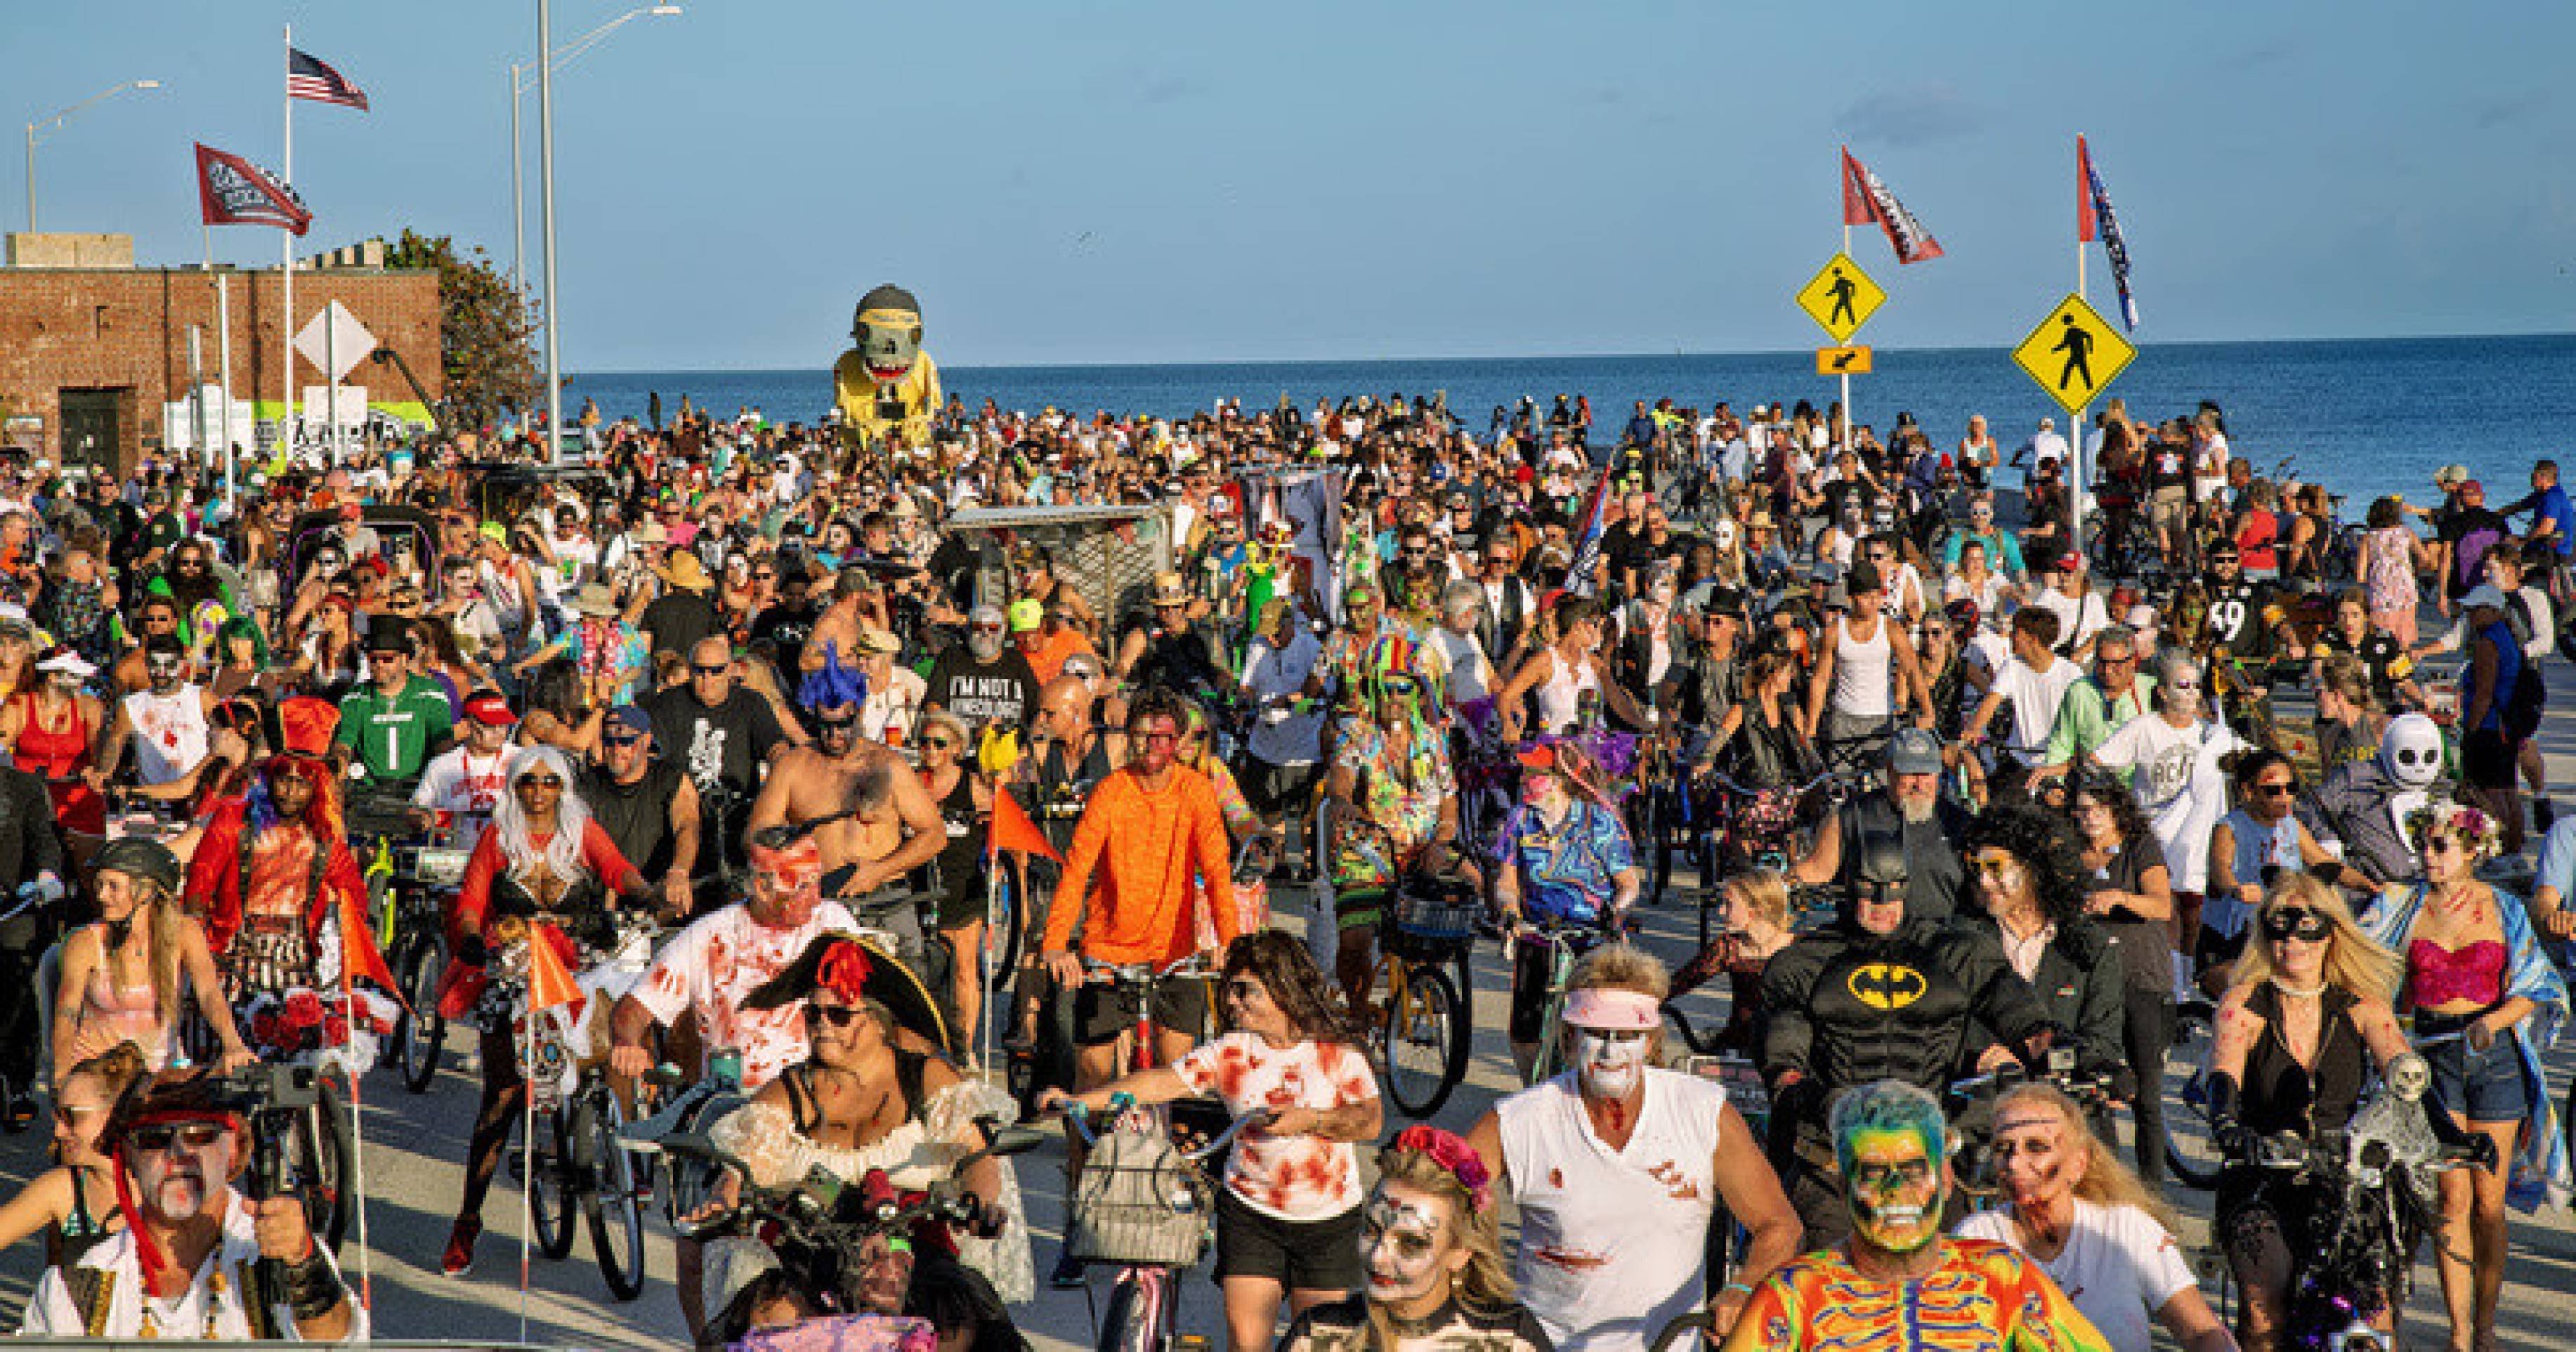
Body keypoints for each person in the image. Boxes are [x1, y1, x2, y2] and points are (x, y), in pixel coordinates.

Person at [1042, 932, 1380, 1350]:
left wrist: (1309, 1119)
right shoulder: (1231, 1052)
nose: (1233, 1002)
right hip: (1252, 1214)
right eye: (1229, 991)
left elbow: (1368, 1121)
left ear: (1283, 986)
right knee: (1245, 1337)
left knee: (1318, 1342)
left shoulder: (1337, 1054)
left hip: (1328, 1221)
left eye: (1245, 991)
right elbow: (1160, 1082)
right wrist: (1079, 1100)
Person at [1466, 944, 1800, 1352]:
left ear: (1651, 1041)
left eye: (1627, 1036)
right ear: (1570, 1038)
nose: (1610, 1052)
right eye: (1596, 1035)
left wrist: (1742, 1289)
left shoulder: (1702, 1112)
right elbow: (1441, 1198)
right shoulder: (1521, 1120)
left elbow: (1779, 1225)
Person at [1760, 830, 2057, 1248]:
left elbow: (2019, 1013)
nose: (1881, 907)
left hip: (1931, 1159)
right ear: (1848, 889)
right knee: (1830, 1294)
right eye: (1870, 894)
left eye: (1891, 894)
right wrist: (1805, 1094)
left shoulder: (1955, 952)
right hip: (1835, 1165)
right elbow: (1783, 1056)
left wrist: (2059, 1051)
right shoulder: (1805, 962)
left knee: (1944, 1294)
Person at [707, 931, 1029, 1303]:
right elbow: (743, 1166)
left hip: (917, 1259)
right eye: (813, 1014)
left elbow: (976, 1157)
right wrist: (724, 1200)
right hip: (811, 1263)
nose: (822, 1025)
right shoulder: (790, 1090)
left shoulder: (926, 1079)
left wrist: (980, 1204)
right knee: (765, 1312)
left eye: (840, 1014)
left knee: (962, 1317)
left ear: (879, 1022)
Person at [2359, 799, 2570, 1351]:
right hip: (2431, 1056)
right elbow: (2362, 969)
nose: (2426, 856)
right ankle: (2457, 1331)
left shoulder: (2503, 907)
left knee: (2488, 1202)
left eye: (2439, 845)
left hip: (2493, 1054)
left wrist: (2493, 1021)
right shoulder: (2402, 906)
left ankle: (2485, 1324)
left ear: (2472, 850)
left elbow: (2538, 983)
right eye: (2422, 844)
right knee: (2449, 1198)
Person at [436, 744, 649, 1276]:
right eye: (528, 781)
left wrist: (647, 893)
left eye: (549, 782)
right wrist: (467, 937)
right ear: (514, 786)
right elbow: (471, 899)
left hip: (578, 968)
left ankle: (605, 1151)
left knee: (609, 1050)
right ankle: (467, 1220)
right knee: (501, 1101)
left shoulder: (582, 831)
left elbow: (618, 869)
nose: (538, 792)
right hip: (514, 970)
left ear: (563, 787)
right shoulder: (498, 835)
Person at [1720, 1079, 2111, 1352]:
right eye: (1872, 1173)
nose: (1896, 1192)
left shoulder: (2000, 1276)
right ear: (1842, 1187)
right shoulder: (1795, 1293)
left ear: (1944, 1179)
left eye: (1912, 1171)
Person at [2204, 876, 2418, 1352]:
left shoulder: (2362, 1002)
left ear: (2330, 934)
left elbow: (2404, 1073)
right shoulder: (2243, 1001)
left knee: (2376, 1314)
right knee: (2264, 1305)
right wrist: (2226, 1125)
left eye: (2306, 929)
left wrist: (2450, 1134)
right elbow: (2223, 1072)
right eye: (2278, 930)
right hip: (2261, 1169)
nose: (2290, 943)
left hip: (2344, 1172)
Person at [20, 1066, 359, 1340]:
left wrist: (302, 1263)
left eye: (200, 1136)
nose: (178, 1156)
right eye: (155, 1140)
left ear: (235, 1152)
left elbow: (339, 1343)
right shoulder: (79, 1284)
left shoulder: (274, 1254)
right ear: (129, 1161)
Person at [1038, 685, 1241, 1089]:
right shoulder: (1111, 791)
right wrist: (1057, 944)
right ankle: (1080, 1155)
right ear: (1129, 737)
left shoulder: (1196, 791)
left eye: (1163, 737)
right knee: (1092, 1080)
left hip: (1175, 953)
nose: (1151, 747)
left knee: (1176, 1076)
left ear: (1179, 742)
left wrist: (1229, 943)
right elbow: (1076, 870)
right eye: (1143, 737)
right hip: (1109, 954)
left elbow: (1217, 871)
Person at [1952, 1083, 2236, 1352]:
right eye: (2003, 1149)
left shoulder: (2125, 1228)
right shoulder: (1978, 1238)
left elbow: (2201, 1332)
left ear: (2078, 1164)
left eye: (2036, 1147)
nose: (2014, 1163)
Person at [746, 648, 948, 960]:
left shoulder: (888, 765)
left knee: (900, 993)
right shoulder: (793, 766)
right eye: (825, 726)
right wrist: (794, 868)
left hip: (886, 900)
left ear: (859, 711)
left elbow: (934, 835)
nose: (835, 735)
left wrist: (880, 871)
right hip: (818, 902)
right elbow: (758, 835)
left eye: (844, 724)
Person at [1276, 1125, 1553, 1352]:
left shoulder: (1510, 1340)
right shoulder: (1317, 1337)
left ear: (1460, 1252)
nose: (1378, 1256)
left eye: (1411, 1243)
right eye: (1372, 1231)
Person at [182, 697, 373, 1013]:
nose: (290, 793)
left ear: (316, 788)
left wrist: (343, 945)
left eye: (301, 785)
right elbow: (200, 884)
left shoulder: (324, 836)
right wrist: (200, 946)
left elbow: (353, 895)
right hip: (233, 952)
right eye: (284, 781)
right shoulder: (233, 819)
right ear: (270, 779)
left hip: (302, 961)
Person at [1325, 645, 1463, 1014]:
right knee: (1355, 938)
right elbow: (1341, 779)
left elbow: (1449, 797)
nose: (1395, 698)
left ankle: (1430, 987)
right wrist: (1343, 801)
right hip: (1369, 849)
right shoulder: (1358, 734)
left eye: (1404, 688)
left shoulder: (1432, 740)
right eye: (1387, 688)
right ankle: (1356, 1009)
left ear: (1418, 692)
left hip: (1423, 847)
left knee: (1456, 904)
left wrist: (1443, 836)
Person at [1489, 742, 1640, 1078]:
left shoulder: (1598, 821)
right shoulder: (1520, 820)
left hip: (1591, 934)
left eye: (1536, 774)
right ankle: (1531, 1089)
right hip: (1538, 931)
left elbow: (1629, 883)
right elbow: (1507, 880)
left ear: (1561, 779)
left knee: (1592, 1027)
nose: (1526, 780)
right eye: (1525, 772)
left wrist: (1616, 912)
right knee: (1525, 1033)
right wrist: (1510, 911)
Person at [1954, 803, 2129, 1093]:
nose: (1984, 882)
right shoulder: (1961, 942)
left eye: (1995, 868)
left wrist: (2050, 1061)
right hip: (1981, 1112)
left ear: (2033, 869)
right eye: (1977, 869)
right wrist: (1982, 1055)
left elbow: (2105, 1043)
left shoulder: (2090, 947)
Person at [53, 837, 251, 1084]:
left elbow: (209, 993)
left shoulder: (185, 932)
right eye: (100, 885)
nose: (102, 896)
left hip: (160, 1075)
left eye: (113, 887)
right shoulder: (86, 942)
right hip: (98, 1075)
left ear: (147, 891)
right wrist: (61, 1077)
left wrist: (233, 1044)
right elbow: (67, 1012)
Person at [644, 634, 795, 885]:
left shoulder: (751, 703)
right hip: (679, 815)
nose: (708, 679)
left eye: (716, 671)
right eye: (700, 671)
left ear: (730, 670)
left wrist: (780, 787)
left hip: (737, 812)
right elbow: (650, 755)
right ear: (690, 670)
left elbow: (777, 749)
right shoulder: (667, 704)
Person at [2206, 752, 2372, 977]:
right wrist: (2237, 890)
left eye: (2291, 789)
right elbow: (2220, 870)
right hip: (2237, 935)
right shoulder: (2229, 828)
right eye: (2274, 790)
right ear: (2249, 792)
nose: (2285, 797)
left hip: (2283, 926)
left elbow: (2323, 860)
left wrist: (2369, 886)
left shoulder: (2291, 825)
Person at [1792, 728, 1970, 923]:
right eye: (1909, 773)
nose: (1919, 784)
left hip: (1942, 937)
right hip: (1872, 937)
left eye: (1926, 773)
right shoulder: (1851, 816)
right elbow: (1817, 870)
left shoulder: (1959, 823)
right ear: (1890, 771)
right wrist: (1771, 885)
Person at [0, 1041, 146, 1265]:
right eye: (58, 1116)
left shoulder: (161, 1186)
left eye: (71, 1117)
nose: (58, 1131)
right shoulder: (63, 1189)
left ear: (114, 1113)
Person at [913, 709, 994, 1054]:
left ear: (957, 749)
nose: (931, 750)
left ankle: (965, 1047)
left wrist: (997, 863)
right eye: (925, 743)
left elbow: (998, 824)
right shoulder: (913, 784)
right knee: (920, 969)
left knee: (964, 969)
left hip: (963, 885)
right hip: (921, 885)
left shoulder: (971, 785)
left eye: (939, 744)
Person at [1799, 561, 1935, 762]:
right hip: (1844, 717)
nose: (1873, 603)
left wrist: (1928, 710)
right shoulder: (1835, 632)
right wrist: (1810, 727)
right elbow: (1820, 680)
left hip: (1881, 717)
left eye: (1876, 596)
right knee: (1841, 785)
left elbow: (1913, 671)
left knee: (1880, 784)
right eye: (1866, 597)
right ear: (1852, 598)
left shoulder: (1891, 629)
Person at [578, 704, 702, 919]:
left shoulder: (669, 778)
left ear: (646, 741)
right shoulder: (587, 782)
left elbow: (687, 824)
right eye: (609, 741)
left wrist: (679, 871)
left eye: (626, 741)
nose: (616, 749)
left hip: (658, 898)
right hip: (602, 902)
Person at [1667, 869, 1795, 1056]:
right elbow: (1680, 982)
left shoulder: (1798, 949)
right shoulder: (1729, 947)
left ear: (1756, 912)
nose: (1720, 911)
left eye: (1729, 905)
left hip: (1788, 1051)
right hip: (1739, 1047)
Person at [333, 615, 455, 788]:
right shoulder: (355, 698)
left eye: (388, 659)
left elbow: (442, 741)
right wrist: (340, 761)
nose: (379, 665)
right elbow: (345, 741)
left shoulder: (431, 693)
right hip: (368, 789)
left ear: (405, 659)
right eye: (373, 659)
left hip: (419, 786)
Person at [3, 645, 109, 840]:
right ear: (52, 677)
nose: (81, 682)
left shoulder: (89, 706)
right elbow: (2, 743)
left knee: (88, 861)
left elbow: (100, 750)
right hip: (30, 797)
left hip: (76, 797)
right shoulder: (19, 705)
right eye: (75, 676)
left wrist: (98, 769)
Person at [1961, 608, 2081, 770]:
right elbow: (1991, 701)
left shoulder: (2072, 674)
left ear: (2033, 639)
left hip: (2058, 764)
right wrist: (1974, 728)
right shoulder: (2012, 666)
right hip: (2019, 761)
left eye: (2016, 633)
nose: (2011, 637)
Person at [409, 687, 516, 841]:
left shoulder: (522, 760)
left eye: (503, 724)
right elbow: (417, 809)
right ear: (468, 725)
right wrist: (424, 818)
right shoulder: (442, 766)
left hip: (506, 853)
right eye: (490, 725)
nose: (499, 731)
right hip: (457, 852)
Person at [927, 603, 1041, 735]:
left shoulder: (1016, 661)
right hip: (960, 746)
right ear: (968, 630)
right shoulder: (951, 657)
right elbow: (933, 706)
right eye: (978, 627)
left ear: (1003, 631)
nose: (985, 634)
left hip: (1008, 746)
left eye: (993, 628)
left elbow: (1038, 707)